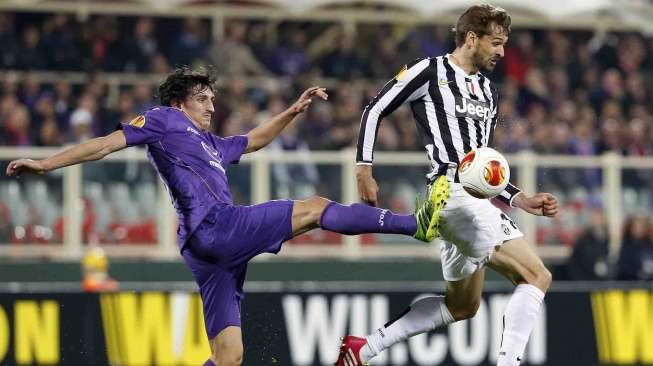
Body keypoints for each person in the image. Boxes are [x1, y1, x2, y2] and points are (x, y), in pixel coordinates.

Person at [6, 68, 447, 366]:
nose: (211, 106)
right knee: (313, 207)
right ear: (180, 102)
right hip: (215, 227)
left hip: (208, 253)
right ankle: (416, 224)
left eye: (213, 99)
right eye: (203, 99)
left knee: (229, 356)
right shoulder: (161, 120)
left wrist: (292, 111)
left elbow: (254, 140)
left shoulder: (211, 145)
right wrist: (47, 164)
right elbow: (104, 143)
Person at [336, 4, 558, 366]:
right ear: (472, 39)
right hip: (451, 194)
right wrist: (364, 168)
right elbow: (374, 109)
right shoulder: (430, 70)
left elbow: (482, 168)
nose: (502, 52)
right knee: (537, 275)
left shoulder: (489, 92)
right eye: (496, 43)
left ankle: (366, 347)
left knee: (462, 306)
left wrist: (520, 199)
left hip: (467, 204)